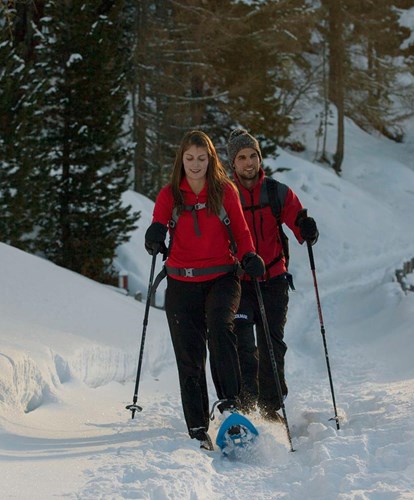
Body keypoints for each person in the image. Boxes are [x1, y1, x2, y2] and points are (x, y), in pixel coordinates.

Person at [144, 130, 265, 450]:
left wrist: (250, 257)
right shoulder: (169, 195)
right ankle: (198, 428)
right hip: (181, 283)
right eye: (189, 159)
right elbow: (158, 222)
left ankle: (230, 405)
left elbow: (241, 234)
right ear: (180, 161)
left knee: (220, 327)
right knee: (189, 355)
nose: (195, 165)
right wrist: (154, 236)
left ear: (210, 159)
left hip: (222, 278)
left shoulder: (224, 191)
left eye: (201, 158)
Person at [227, 129, 319, 421]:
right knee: (243, 345)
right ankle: (246, 406)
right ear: (233, 163)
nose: (248, 162)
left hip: (274, 279)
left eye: (252, 155)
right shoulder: (227, 195)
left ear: (259, 157)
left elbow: (297, 218)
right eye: (241, 157)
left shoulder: (277, 192)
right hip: (240, 283)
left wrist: (307, 228)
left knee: (271, 344)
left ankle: (270, 408)